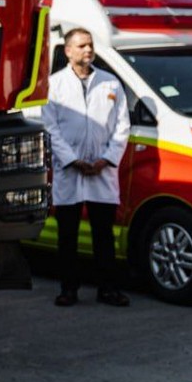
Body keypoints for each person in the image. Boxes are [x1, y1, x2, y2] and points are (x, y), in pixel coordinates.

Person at [41, 27, 131, 307]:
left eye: (90, 45)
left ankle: (108, 289)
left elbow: (122, 126)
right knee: (67, 235)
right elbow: (49, 127)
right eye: (81, 46)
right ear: (68, 51)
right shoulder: (54, 85)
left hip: (102, 171)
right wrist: (72, 159)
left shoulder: (110, 84)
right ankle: (69, 289)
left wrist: (107, 158)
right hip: (70, 170)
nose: (88, 50)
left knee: (103, 235)